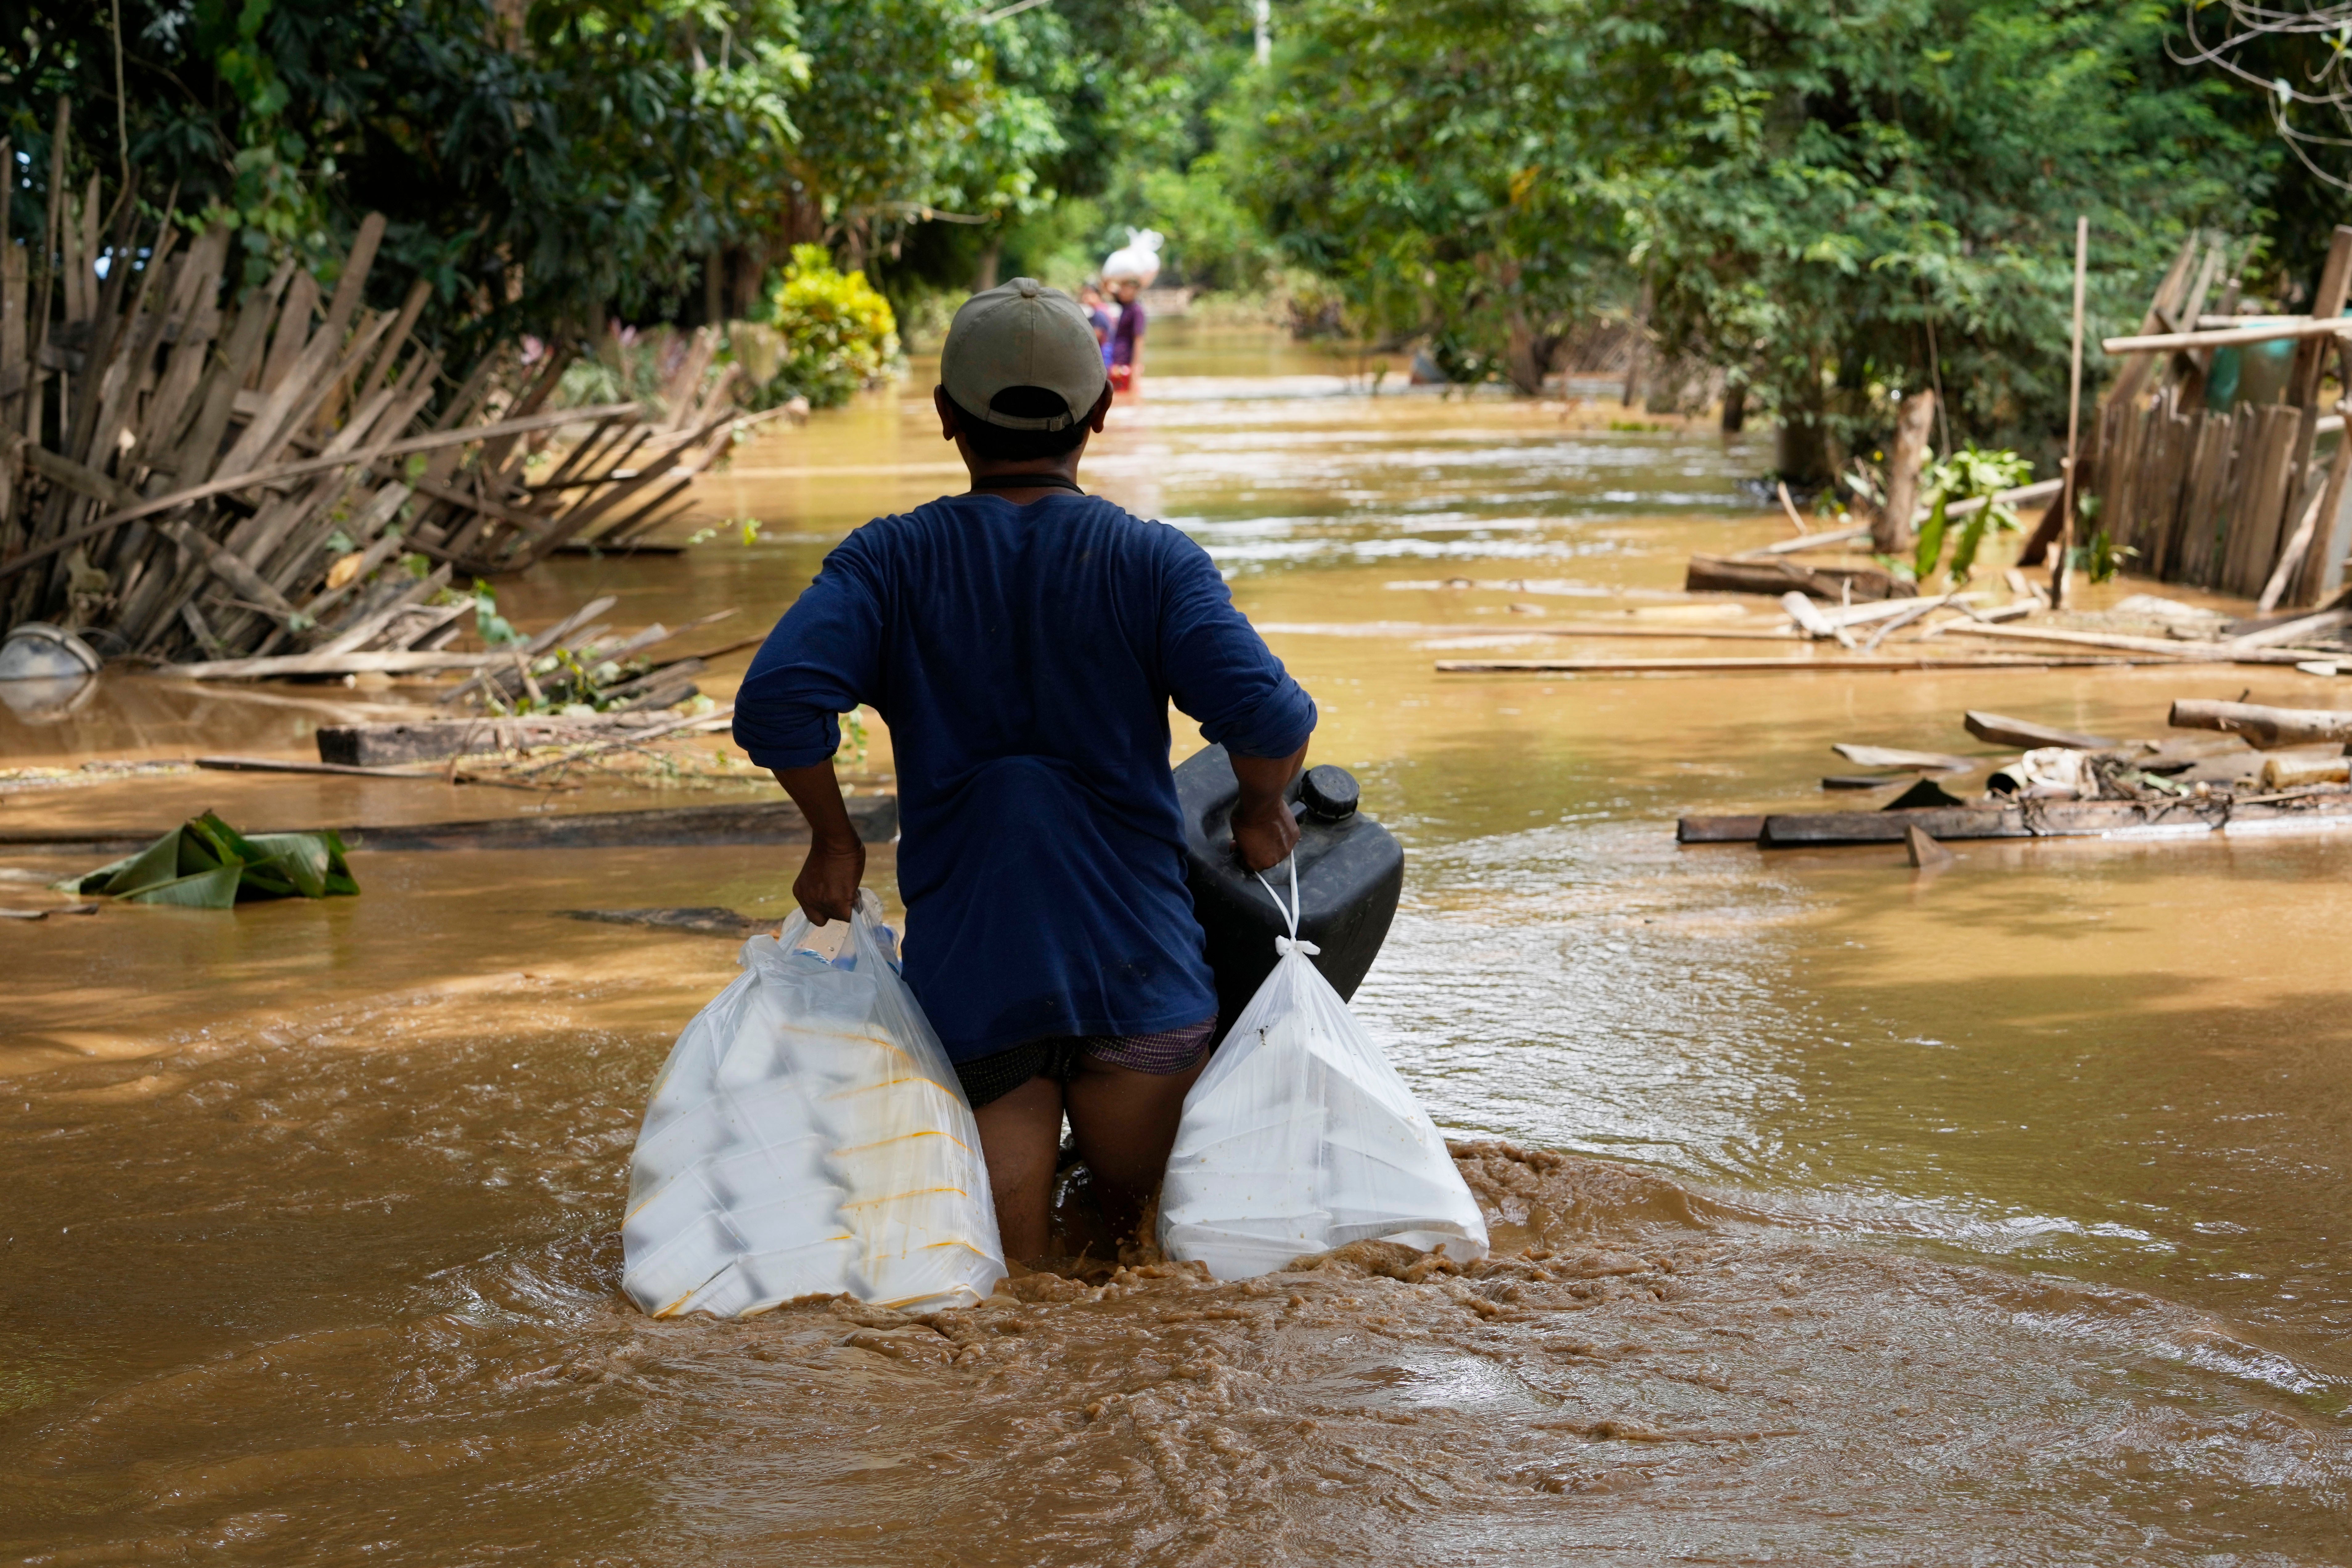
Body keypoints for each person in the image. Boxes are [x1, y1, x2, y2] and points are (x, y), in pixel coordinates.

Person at [732, 278, 1315, 1262]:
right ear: (1100, 412)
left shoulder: (889, 564)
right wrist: (1261, 810)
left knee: (1009, 1283)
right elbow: (1271, 718)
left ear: (947, 418)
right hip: (1142, 981)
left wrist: (835, 841)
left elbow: (776, 703)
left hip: (978, 991)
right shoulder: (1153, 562)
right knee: (1148, 1266)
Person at [1106, 274, 1145, 392]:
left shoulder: (1137, 310)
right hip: (1116, 359)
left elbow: (1139, 339)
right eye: (1121, 288)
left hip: (1126, 362)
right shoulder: (1124, 305)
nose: (1121, 291)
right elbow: (1106, 286)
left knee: (1126, 395)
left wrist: (1135, 367)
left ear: (1134, 290)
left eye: (1125, 288)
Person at [1077, 281, 1114, 369]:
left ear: (1098, 295)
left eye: (1089, 293)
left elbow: (1095, 338)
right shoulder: (1104, 309)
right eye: (1085, 293)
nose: (1086, 297)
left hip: (1105, 357)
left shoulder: (1100, 314)